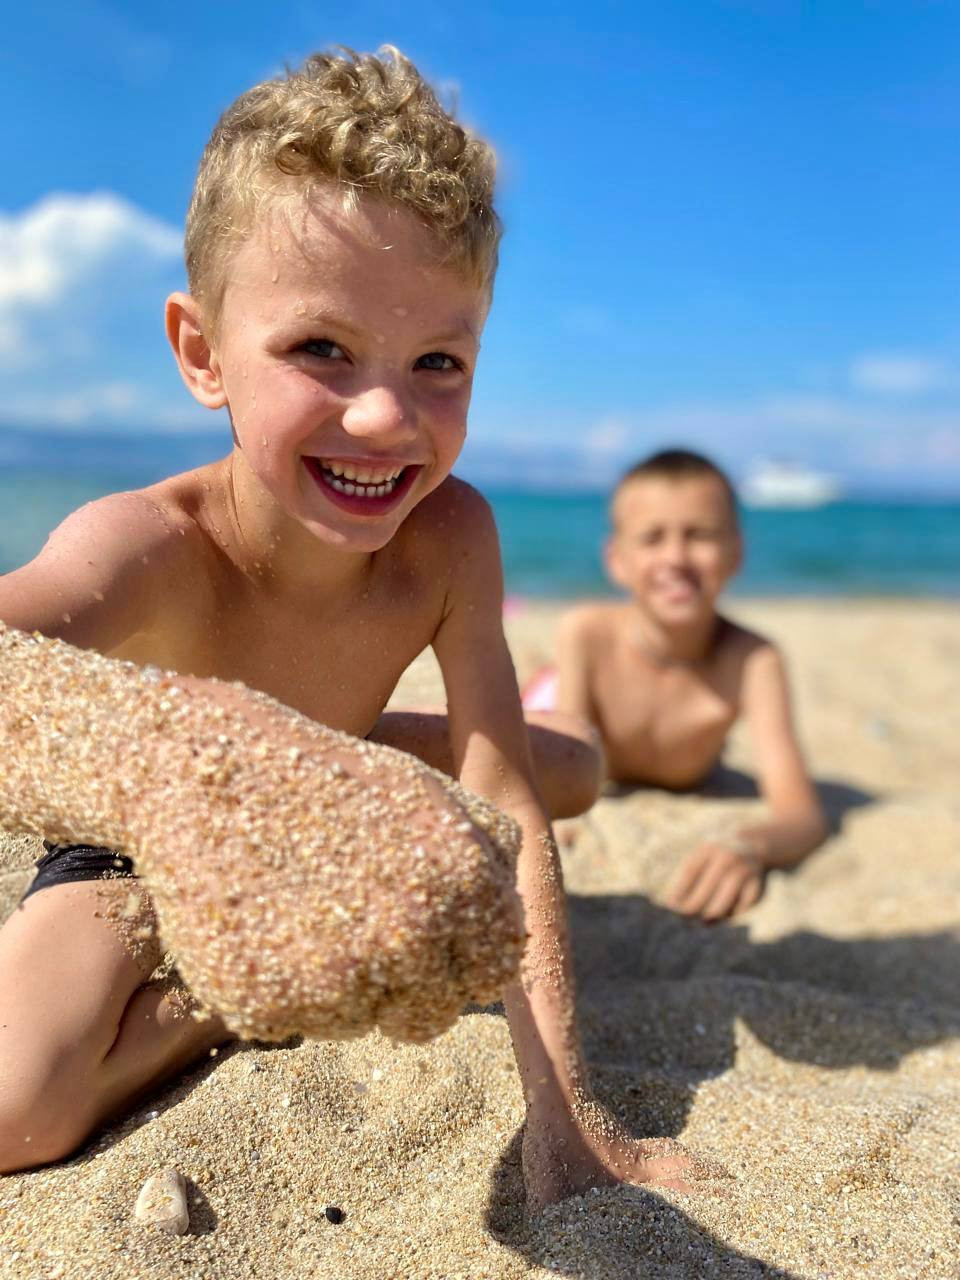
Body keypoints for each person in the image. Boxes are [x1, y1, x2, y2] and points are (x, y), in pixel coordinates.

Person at [0, 49, 692, 1204]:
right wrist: (201, 756)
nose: (383, 416)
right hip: (141, 838)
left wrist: (565, 1120)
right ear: (203, 353)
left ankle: (357, 762)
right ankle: (249, 973)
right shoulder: (143, 545)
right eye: (321, 348)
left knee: (566, 770)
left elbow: (510, 807)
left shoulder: (452, 535)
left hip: (333, 781)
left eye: (438, 363)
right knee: (22, 1105)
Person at [542, 448, 828, 922]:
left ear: (736, 553)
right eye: (652, 537)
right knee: (536, 705)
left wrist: (750, 845)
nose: (675, 557)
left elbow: (802, 815)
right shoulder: (586, 635)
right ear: (617, 560)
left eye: (699, 535)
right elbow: (561, 774)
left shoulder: (752, 661)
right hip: (556, 709)